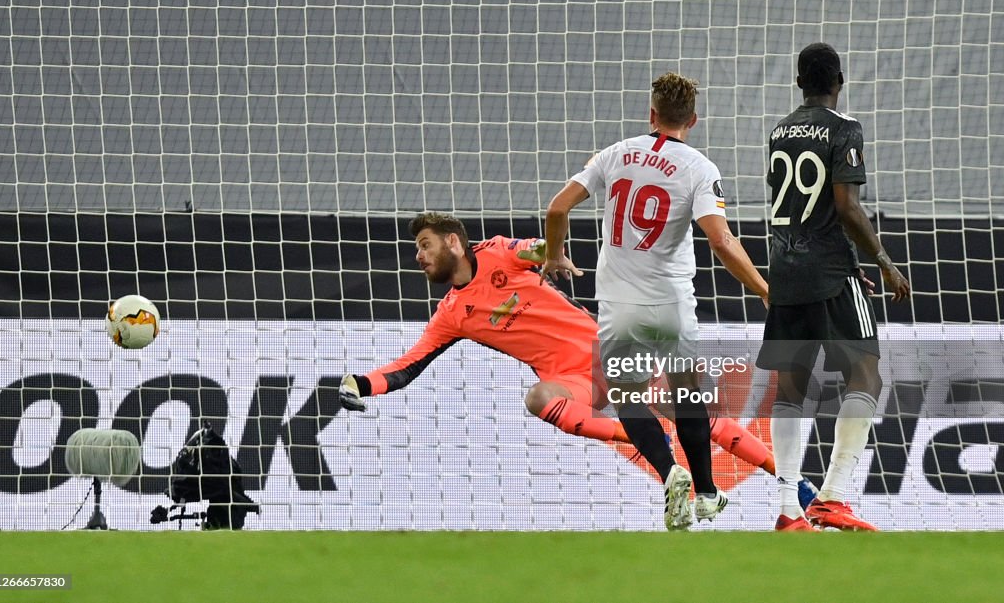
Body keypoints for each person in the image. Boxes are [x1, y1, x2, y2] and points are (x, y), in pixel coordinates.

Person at [338, 212, 780, 515]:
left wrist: (550, 252)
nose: (419, 255)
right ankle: (665, 457)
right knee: (539, 398)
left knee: (708, 422)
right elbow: (408, 366)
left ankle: (793, 483)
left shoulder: (495, 253)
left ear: (453, 241)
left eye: (425, 244)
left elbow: (533, 249)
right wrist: (361, 382)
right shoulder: (451, 314)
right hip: (570, 379)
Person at [543, 72, 770, 530]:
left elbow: (557, 209)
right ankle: (706, 493)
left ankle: (671, 474)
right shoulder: (700, 168)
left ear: (652, 115)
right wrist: (765, 289)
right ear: (694, 120)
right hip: (671, 303)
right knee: (687, 395)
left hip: (619, 306)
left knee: (627, 398)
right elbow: (721, 240)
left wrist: (554, 255)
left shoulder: (614, 155)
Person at [757, 42, 911, 532]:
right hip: (829, 273)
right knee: (866, 375)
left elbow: (803, 208)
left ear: (798, 81)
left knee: (791, 388)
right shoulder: (844, 129)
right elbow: (845, 206)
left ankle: (787, 507)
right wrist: (882, 260)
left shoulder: (779, 132)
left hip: (784, 271)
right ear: (838, 81)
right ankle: (834, 496)